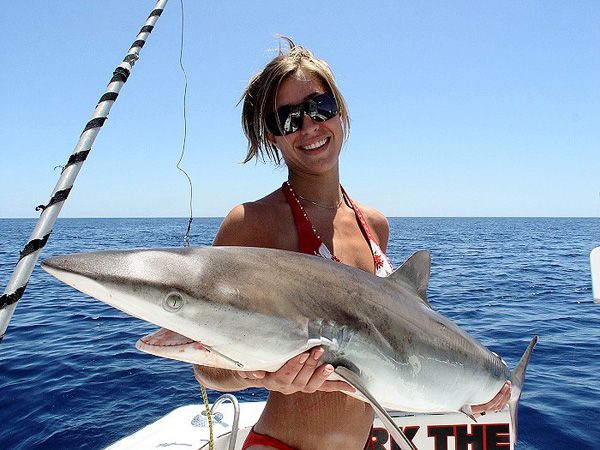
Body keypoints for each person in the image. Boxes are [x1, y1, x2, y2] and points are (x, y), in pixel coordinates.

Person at [193, 37, 511, 450]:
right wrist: (255, 375)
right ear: (273, 137)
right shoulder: (252, 223)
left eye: (320, 107)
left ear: (339, 110)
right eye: (288, 119)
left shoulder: (374, 224)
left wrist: (471, 389)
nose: (309, 127)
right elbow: (205, 366)